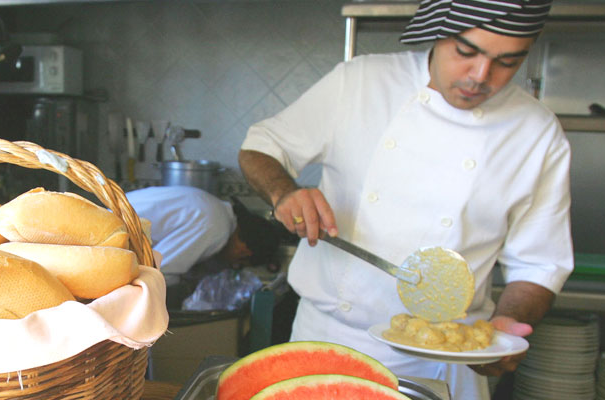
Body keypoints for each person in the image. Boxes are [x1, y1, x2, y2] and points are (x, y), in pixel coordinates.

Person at [237, 0, 572, 398]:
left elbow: (538, 265)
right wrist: (284, 191)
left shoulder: (537, 132)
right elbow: (261, 145)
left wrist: (506, 326)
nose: (481, 76)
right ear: (438, 31)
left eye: (508, 62)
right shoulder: (361, 82)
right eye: (466, 52)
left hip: (448, 356)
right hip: (328, 343)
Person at [125, 185, 281, 309]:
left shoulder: (216, 209)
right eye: (239, 262)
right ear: (244, 251)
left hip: (114, 226)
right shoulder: (217, 229)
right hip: (111, 241)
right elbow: (159, 271)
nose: (233, 263)